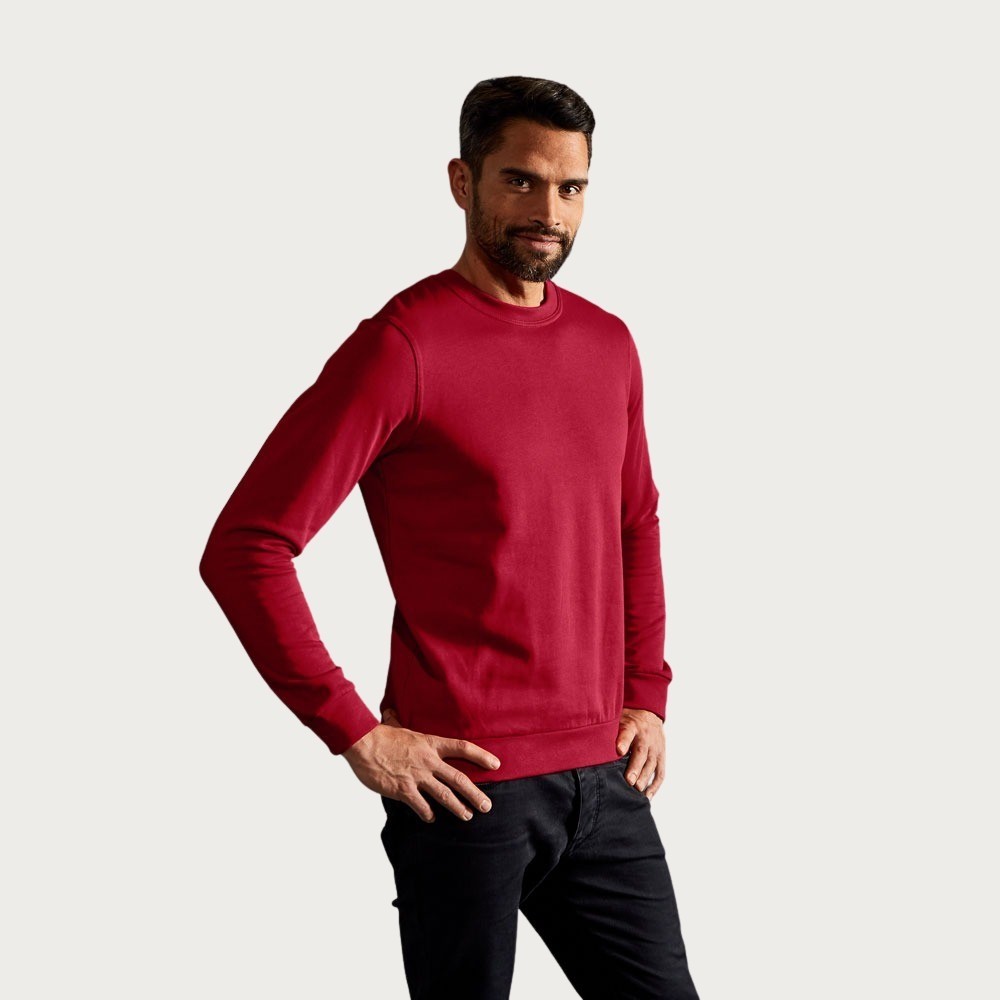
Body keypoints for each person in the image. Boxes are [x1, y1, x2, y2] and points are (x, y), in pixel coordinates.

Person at [199, 74, 700, 1000]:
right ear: (462, 182)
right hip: (466, 789)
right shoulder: (403, 347)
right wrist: (354, 731)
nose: (548, 211)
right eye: (520, 181)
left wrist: (647, 692)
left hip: (606, 776)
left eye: (571, 187)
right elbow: (247, 546)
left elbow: (635, 524)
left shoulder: (609, 345)